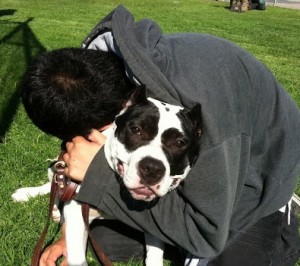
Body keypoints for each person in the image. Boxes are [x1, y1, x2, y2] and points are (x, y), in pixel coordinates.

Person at [21, 5, 300, 266]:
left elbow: (206, 235)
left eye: (89, 136)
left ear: (121, 111)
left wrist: (98, 174)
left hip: (251, 181)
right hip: (183, 158)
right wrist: (71, 227)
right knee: (106, 243)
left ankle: (280, 216)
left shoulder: (205, 115)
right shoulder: (108, 75)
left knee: (225, 256)